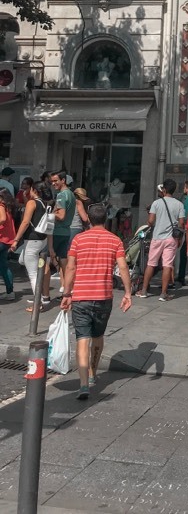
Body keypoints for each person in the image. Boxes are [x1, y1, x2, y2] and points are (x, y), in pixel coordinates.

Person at [61, 203, 132, 399]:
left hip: (81, 297)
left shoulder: (78, 239)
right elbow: (123, 268)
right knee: (98, 336)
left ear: (89, 219)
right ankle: (93, 372)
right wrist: (128, 292)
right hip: (103, 297)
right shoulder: (115, 240)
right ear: (106, 218)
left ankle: (84, 384)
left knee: (82, 339)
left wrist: (67, 293)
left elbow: (71, 268)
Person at [136, 179, 185, 302]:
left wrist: (150, 219)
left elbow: (151, 221)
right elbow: (181, 223)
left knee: (151, 263)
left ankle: (144, 291)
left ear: (163, 190)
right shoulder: (179, 204)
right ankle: (163, 293)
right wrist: (179, 238)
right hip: (171, 239)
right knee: (167, 265)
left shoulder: (156, 203)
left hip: (157, 237)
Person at [10, 181, 51, 310]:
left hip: (32, 240)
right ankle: (41, 296)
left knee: (32, 274)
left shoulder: (32, 203)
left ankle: (37, 303)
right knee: (22, 260)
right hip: (41, 239)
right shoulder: (47, 204)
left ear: (34, 190)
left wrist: (16, 240)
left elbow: (25, 222)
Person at [43, 171, 76, 302]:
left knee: (44, 259)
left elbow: (61, 216)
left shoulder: (62, 195)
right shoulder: (71, 195)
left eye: (56, 181)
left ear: (63, 180)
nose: (53, 183)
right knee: (63, 261)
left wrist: (49, 213)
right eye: (52, 181)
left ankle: (44, 295)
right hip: (66, 232)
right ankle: (68, 291)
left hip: (57, 232)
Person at [0, 189, 16, 301]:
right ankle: (10, 292)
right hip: (7, 241)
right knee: (4, 267)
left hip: (1, 239)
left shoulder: (1, 206)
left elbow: (2, 219)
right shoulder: (8, 207)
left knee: (4, 267)